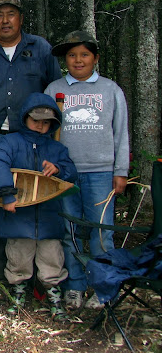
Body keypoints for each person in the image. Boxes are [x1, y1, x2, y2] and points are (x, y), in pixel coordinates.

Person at [0, 0, 61, 279]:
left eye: (11, 14)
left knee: (33, 198)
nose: (5, 20)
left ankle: (34, 268)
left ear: (20, 18)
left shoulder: (41, 49)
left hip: (33, 138)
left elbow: (55, 91)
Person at [44, 30, 130, 310]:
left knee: (101, 232)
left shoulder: (110, 89)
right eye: (72, 55)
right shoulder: (54, 90)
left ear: (95, 58)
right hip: (64, 173)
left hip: (101, 172)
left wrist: (121, 171)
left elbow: (120, 132)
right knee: (69, 231)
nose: (78, 60)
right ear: (64, 60)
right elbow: (44, 132)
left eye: (84, 55)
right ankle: (76, 286)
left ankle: (105, 288)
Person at [0, 93, 78, 321]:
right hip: (19, 217)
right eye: (36, 120)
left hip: (49, 217)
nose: (40, 125)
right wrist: (7, 194)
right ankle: (17, 293)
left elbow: (72, 172)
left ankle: (53, 294)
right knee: (18, 257)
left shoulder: (57, 149)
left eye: (46, 122)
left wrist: (58, 170)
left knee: (52, 258)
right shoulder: (10, 143)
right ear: (24, 118)